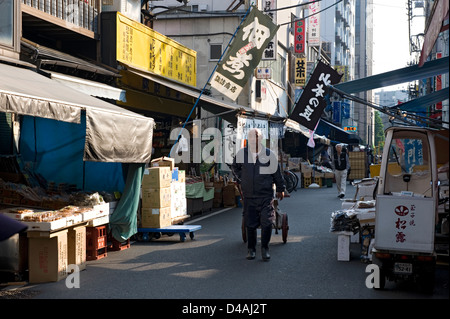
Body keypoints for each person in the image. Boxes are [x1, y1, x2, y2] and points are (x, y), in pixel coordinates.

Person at [231, 128, 285, 261]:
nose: (253, 140)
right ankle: (251, 249)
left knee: (267, 222)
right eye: (251, 138)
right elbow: (235, 168)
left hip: (265, 195)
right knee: (250, 223)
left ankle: (265, 248)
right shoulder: (241, 154)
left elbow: (277, 173)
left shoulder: (269, 154)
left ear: (261, 139)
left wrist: (280, 188)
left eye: (256, 138)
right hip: (249, 195)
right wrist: (241, 179)